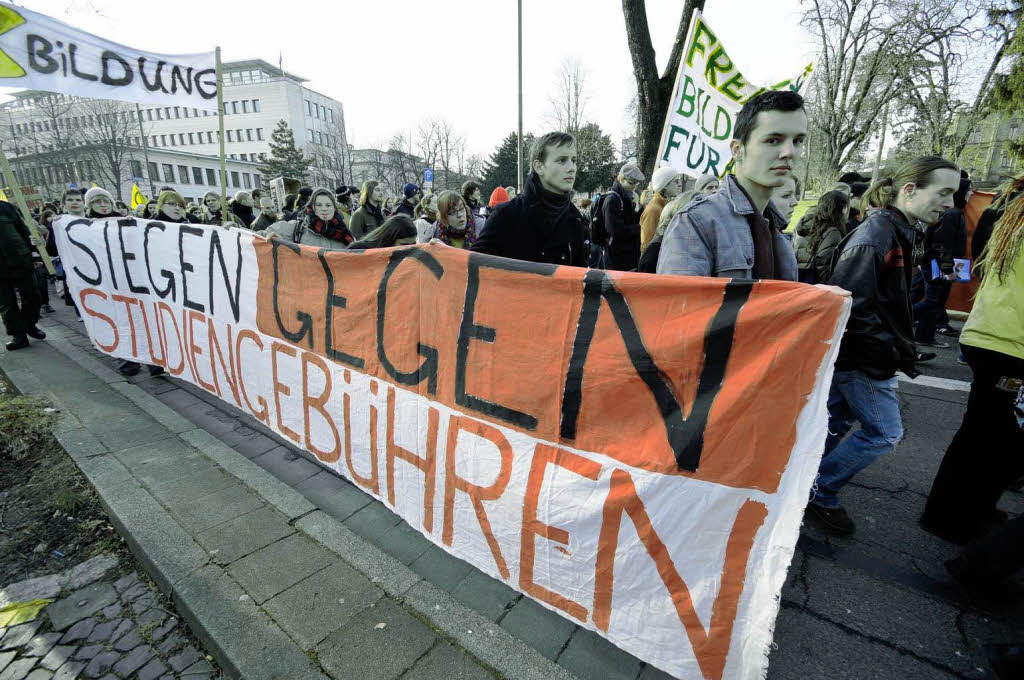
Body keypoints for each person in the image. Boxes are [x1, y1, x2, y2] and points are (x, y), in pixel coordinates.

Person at [806, 156, 961, 536]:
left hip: (863, 356)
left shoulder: (900, 230)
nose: (951, 204)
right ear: (909, 190)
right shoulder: (877, 235)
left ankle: (800, 485)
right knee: (885, 433)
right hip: (866, 359)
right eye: (943, 192)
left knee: (831, 423)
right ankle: (819, 491)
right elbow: (851, 304)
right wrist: (889, 352)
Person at [920, 188, 1024, 545]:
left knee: (984, 433)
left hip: (990, 334)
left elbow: (978, 255)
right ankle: (955, 517)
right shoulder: (1001, 213)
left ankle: (961, 511)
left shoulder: (1006, 209)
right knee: (997, 438)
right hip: (1009, 343)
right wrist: (946, 269)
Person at [658, 90, 802, 280]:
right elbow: (680, 307)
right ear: (737, 150)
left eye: (798, 141)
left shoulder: (778, 232)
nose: (789, 152)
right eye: (773, 140)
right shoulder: (696, 223)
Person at [472, 131, 588, 267]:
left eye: (573, 160)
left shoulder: (576, 219)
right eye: (562, 160)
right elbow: (472, 270)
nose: (571, 168)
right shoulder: (506, 215)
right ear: (539, 166)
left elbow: (579, 280)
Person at [914, 172, 971, 347]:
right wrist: (948, 270)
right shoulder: (952, 214)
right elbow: (942, 244)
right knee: (934, 300)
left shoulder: (955, 213)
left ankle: (924, 335)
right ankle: (899, 319)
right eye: (969, 190)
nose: (972, 194)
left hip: (937, 263)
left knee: (934, 300)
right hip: (937, 264)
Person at [0, 200, 45, 351]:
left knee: (33, 295)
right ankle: (18, 335)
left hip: (20, 259)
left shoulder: (7, 207)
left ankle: (30, 325)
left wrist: (34, 255)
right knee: (6, 303)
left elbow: (25, 231)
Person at [258, 188, 354, 251]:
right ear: (312, 207)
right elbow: (255, 236)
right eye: (319, 205)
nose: (324, 209)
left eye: (328, 205)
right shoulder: (295, 229)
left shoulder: (344, 233)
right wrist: (269, 237)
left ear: (334, 208)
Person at [793, 190, 849, 284]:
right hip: (813, 278)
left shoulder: (806, 221)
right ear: (842, 208)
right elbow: (824, 262)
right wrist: (828, 283)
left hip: (797, 272)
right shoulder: (832, 231)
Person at [603, 162, 646, 271]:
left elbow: (630, 220)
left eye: (636, 184)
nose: (634, 187)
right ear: (621, 178)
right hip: (616, 260)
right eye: (631, 183)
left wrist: (643, 208)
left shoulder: (626, 197)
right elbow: (615, 230)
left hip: (627, 257)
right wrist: (639, 228)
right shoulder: (612, 200)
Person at [640, 167, 683, 252]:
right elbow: (647, 245)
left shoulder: (667, 205)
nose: (680, 184)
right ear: (665, 185)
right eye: (676, 181)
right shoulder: (653, 210)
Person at [347, 214, 418, 250]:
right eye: (404, 245)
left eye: (413, 244)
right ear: (390, 239)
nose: (409, 248)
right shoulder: (358, 249)